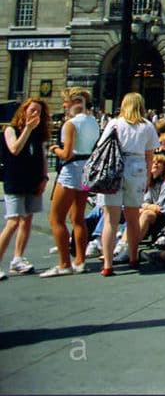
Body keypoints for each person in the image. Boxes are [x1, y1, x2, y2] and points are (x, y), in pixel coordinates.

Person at [42, 88, 100, 277]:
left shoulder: (70, 124)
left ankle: (64, 263)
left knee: (56, 218)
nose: (64, 106)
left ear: (75, 102)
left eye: (66, 102)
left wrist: (54, 149)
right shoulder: (93, 122)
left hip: (71, 170)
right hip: (86, 169)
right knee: (78, 218)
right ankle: (80, 261)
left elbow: (66, 153)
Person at [98, 92, 158, 276]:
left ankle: (108, 264)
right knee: (133, 218)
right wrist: (148, 178)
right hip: (137, 167)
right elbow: (150, 156)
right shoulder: (147, 126)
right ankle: (133, 257)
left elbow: (102, 146)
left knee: (111, 220)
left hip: (115, 168)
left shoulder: (115, 123)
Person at [0, 97, 52, 279]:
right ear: (24, 111)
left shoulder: (39, 133)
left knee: (27, 220)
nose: (35, 114)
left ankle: (17, 259)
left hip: (33, 180)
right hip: (14, 180)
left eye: (39, 111)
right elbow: (15, 149)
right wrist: (28, 129)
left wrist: (45, 177)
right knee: (13, 220)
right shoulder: (10, 130)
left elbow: (44, 156)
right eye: (32, 110)